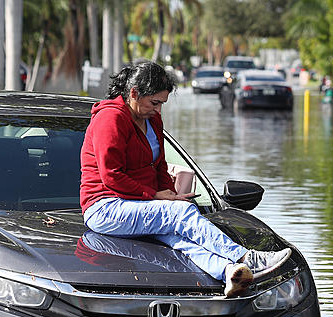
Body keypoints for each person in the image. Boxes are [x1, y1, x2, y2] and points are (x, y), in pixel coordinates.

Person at [79, 61, 291, 298]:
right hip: (105, 208)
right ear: (133, 94)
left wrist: (172, 193)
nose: (158, 110)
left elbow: (158, 166)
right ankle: (246, 257)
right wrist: (157, 196)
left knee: (178, 236)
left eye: (162, 104)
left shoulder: (152, 120)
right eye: (154, 103)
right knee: (179, 214)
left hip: (136, 205)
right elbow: (111, 176)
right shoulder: (110, 119)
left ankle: (229, 271)